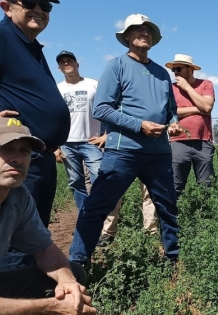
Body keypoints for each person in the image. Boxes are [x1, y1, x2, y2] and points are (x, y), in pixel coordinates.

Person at [69, 14, 182, 265]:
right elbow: (101, 109)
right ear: (127, 36)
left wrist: (173, 123)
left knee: (168, 207)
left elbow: (171, 109)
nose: (144, 33)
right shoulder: (116, 66)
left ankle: (173, 259)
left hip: (159, 152)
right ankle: (77, 263)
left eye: (148, 30)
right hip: (123, 151)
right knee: (98, 206)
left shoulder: (162, 74)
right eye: (138, 30)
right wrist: (139, 126)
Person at [0, 0, 70, 270]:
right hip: (11, 155)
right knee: (14, 238)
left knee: (34, 234)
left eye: (46, 5)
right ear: (6, 6)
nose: (39, 9)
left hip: (40, 155)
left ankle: (29, 288)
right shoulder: (4, 39)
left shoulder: (29, 46)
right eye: (30, 2)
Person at [0, 117, 96, 314]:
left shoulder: (18, 196)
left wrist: (67, 281)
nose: (17, 158)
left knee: (73, 273)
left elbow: (45, 251)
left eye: (24, 151)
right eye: (6, 149)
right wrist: (51, 306)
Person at [55, 50, 104, 212]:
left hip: (92, 141)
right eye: (62, 62)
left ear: (78, 64)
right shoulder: (57, 89)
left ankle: (96, 215)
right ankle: (85, 217)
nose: (66, 63)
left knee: (99, 177)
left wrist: (106, 134)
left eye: (70, 60)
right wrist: (55, 146)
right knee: (76, 182)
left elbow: (108, 109)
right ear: (59, 68)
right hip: (67, 142)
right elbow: (53, 118)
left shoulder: (94, 85)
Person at [166, 54, 216, 196]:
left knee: (206, 184)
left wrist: (188, 88)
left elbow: (207, 107)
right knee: (176, 184)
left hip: (203, 141)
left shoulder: (205, 84)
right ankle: (177, 215)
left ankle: (207, 215)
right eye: (173, 70)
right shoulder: (171, 88)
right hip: (178, 142)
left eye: (179, 69)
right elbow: (169, 112)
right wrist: (197, 108)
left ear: (190, 69)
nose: (175, 73)